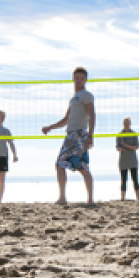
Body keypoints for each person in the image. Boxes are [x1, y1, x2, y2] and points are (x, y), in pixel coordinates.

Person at [42, 66, 95, 205]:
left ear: (85, 80)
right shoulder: (73, 99)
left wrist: (90, 136)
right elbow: (66, 120)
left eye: (81, 78)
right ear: (73, 78)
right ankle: (81, 199)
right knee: (82, 167)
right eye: (76, 78)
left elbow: (92, 115)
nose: (78, 80)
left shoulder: (86, 95)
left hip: (78, 134)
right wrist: (50, 127)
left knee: (62, 164)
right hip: (72, 134)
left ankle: (66, 198)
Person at [116, 116, 139, 201]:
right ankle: (122, 198)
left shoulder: (134, 134)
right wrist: (122, 149)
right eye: (124, 123)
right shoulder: (119, 134)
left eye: (127, 123)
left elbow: (137, 146)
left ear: (130, 124)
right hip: (123, 160)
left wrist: (127, 146)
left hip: (132, 160)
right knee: (123, 180)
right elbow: (117, 147)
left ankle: (138, 198)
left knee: (135, 179)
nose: (126, 125)